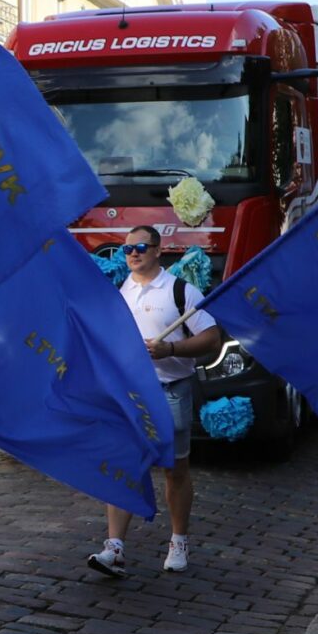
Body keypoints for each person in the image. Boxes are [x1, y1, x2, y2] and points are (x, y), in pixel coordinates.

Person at [89, 226, 223, 578]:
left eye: (141, 247)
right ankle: (114, 547)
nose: (133, 253)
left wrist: (170, 349)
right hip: (130, 393)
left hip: (171, 390)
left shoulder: (180, 290)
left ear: (158, 250)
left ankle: (179, 541)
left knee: (175, 470)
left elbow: (212, 337)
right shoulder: (120, 292)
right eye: (127, 248)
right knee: (124, 465)